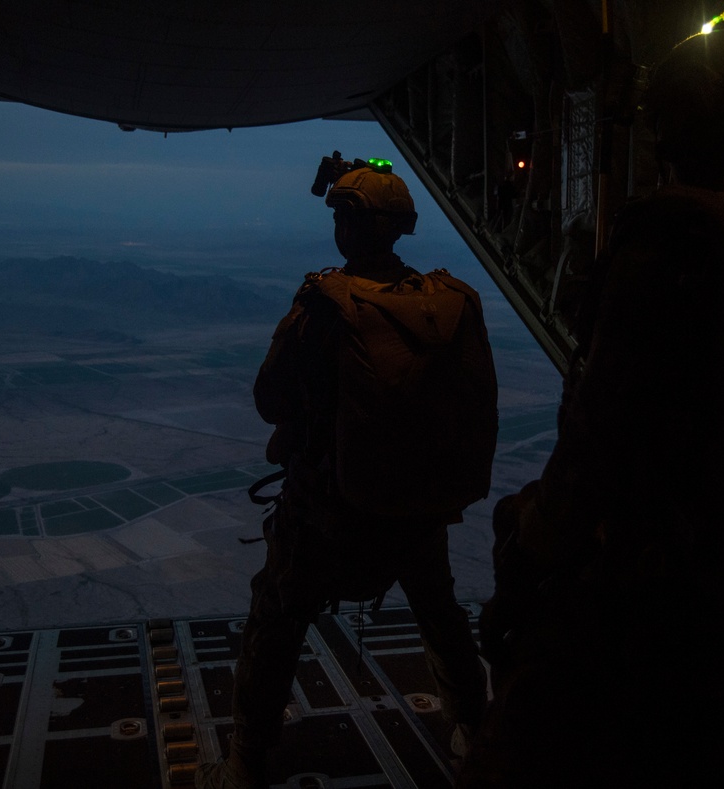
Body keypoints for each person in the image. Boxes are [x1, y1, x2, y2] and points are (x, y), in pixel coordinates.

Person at [461, 15, 724, 789]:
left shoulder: (675, 241)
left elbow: (592, 453)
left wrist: (525, 562)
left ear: (687, 122)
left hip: (663, 624)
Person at [196, 161, 498, 789]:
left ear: (351, 227)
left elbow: (270, 399)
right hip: (418, 513)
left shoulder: (326, 304)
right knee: (441, 616)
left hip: (328, 514)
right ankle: (476, 735)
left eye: (341, 214)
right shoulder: (448, 303)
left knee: (275, 620)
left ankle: (245, 767)